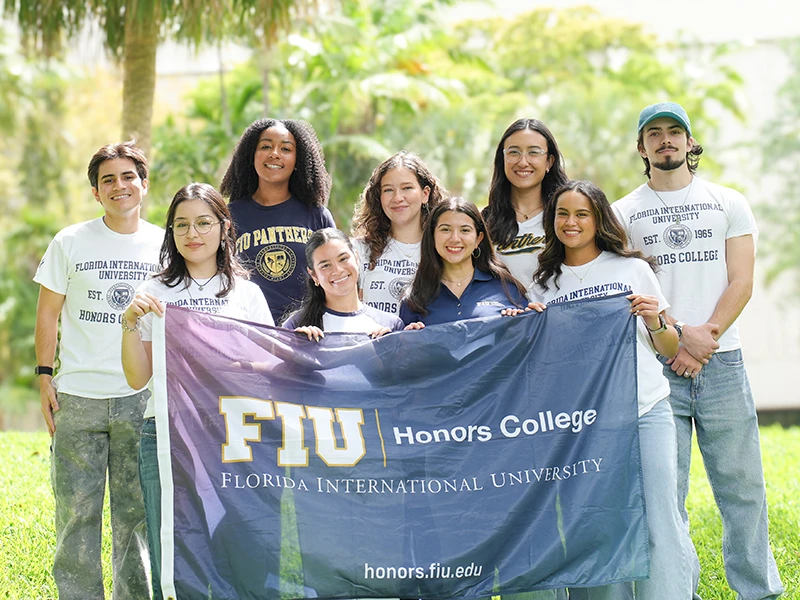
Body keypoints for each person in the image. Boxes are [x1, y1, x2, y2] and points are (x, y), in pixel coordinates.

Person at [612, 102, 783, 599]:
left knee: (743, 488)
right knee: (668, 495)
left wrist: (703, 336)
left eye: (674, 132)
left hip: (722, 360)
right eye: (654, 134)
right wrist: (678, 337)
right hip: (658, 363)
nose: (665, 140)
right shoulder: (622, 213)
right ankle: (677, 590)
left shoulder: (728, 201)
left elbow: (742, 281)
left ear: (690, 143)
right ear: (641, 148)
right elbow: (625, 287)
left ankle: (758, 590)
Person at [529, 180, 690, 599]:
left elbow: (669, 347)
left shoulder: (632, 269)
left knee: (659, 520)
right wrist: (533, 325)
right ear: (552, 220)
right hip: (586, 425)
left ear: (598, 218)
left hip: (644, 412)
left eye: (582, 213)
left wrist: (656, 320)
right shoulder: (545, 285)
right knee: (599, 527)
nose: (571, 222)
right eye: (562, 213)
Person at [120, 182, 274, 599]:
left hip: (233, 439)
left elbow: (267, 372)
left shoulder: (248, 294)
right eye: (182, 225)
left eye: (204, 222)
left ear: (224, 228)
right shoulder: (154, 292)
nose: (193, 233)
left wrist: (228, 362)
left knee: (240, 552)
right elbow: (138, 378)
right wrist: (129, 322)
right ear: (171, 232)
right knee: (172, 555)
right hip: (168, 436)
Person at [33, 141, 163, 599]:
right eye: (108, 179)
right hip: (78, 397)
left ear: (144, 184)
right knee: (76, 512)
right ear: (96, 192)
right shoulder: (70, 241)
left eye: (128, 176)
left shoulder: (165, 244)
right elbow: (48, 313)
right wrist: (44, 376)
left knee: (136, 516)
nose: (119, 186)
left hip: (140, 399)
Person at [220, 118, 335, 324]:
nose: (274, 153)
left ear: (298, 160)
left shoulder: (317, 215)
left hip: (308, 333)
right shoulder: (229, 216)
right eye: (265, 146)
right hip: (250, 333)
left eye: (286, 148)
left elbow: (335, 276)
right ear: (251, 155)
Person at [399, 197, 528, 327]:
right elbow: (402, 345)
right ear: (432, 237)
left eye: (465, 230)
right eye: (445, 229)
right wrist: (408, 338)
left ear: (479, 238)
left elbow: (528, 339)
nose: (455, 238)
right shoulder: (415, 299)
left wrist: (521, 321)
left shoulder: (507, 289)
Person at [351, 151, 447, 315]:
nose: (397, 198)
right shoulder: (358, 250)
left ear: (425, 194)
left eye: (407, 188)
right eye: (388, 190)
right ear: (379, 197)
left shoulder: (444, 249)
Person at [483, 118, 569, 288]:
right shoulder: (484, 222)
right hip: (508, 312)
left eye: (534, 152)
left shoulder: (567, 216)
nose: (523, 162)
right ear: (503, 158)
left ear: (549, 162)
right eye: (514, 152)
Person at [283, 227, 404, 338]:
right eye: (325, 265)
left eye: (343, 259)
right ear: (314, 275)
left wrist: (389, 348)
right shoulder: (296, 327)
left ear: (357, 258)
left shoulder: (389, 326)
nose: (337, 270)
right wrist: (298, 347)